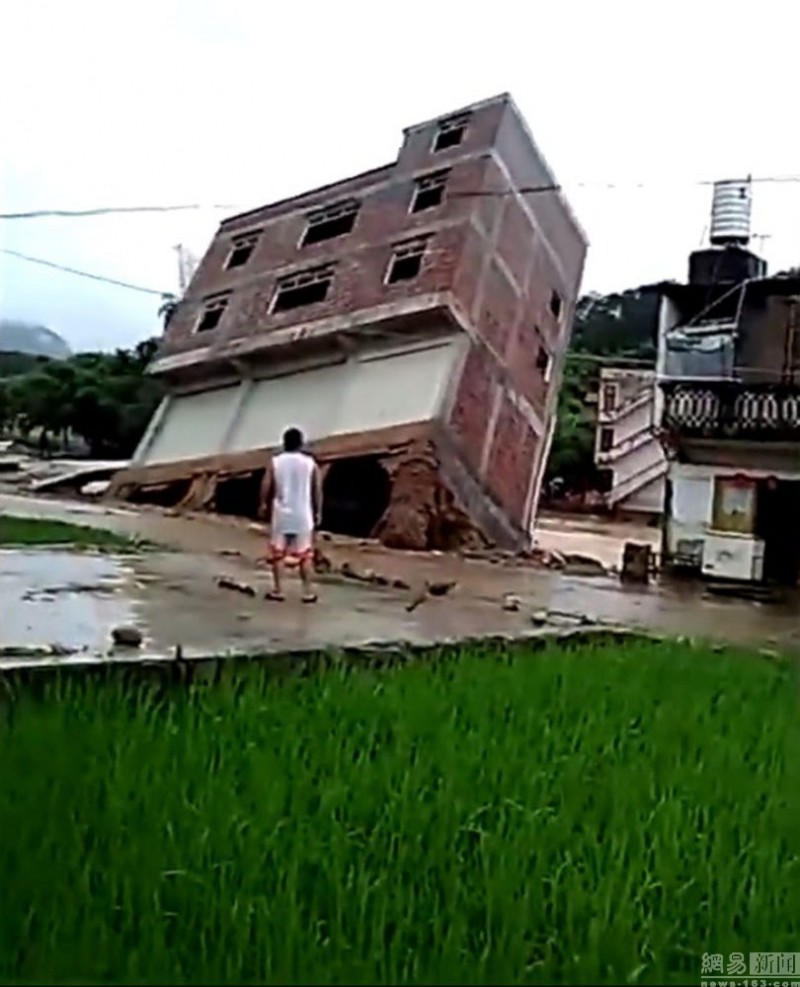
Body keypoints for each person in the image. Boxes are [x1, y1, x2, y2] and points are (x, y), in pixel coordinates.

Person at [260, 427, 322, 603]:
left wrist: (263, 504)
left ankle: (278, 590)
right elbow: (317, 489)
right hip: (303, 515)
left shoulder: (276, 462)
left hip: (281, 514)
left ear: (284, 443)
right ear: (301, 443)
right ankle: (308, 592)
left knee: (277, 554)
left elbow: (266, 484)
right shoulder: (310, 463)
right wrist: (318, 511)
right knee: (305, 555)